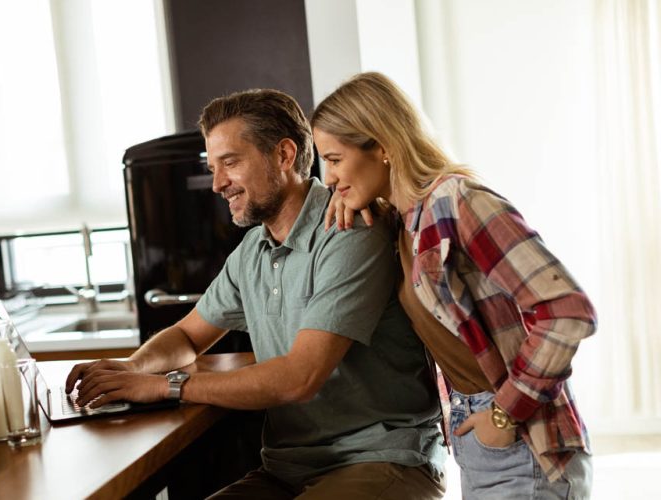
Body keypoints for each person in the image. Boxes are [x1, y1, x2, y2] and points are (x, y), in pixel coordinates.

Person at [66, 89, 447, 499]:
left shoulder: (349, 230)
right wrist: (135, 367)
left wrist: (166, 386)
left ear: (284, 155)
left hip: (381, 459)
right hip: (288, 470)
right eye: (212, 167)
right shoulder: (252, 251)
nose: (216, 184)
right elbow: (188, 336)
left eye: (230, 162)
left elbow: (300, 378)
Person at [311, 71, 596, 499]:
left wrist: (504, 414)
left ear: (383, 146)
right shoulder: (406, 222)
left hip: (521, 438)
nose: (327, 177)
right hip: (471, 432)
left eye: (334, 159)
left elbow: (568, 310)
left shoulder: (458, 202)